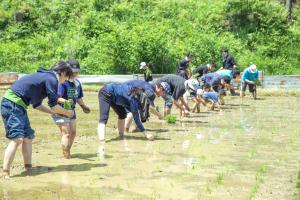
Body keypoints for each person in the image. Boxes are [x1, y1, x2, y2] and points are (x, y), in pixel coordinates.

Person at [1, 61, 74, 179]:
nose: (64, 81)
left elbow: (37, 105)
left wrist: (55, 113)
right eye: (66, 78)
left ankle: (28, 168)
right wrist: (67, 113)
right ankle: (6, 172)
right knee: (17, 138)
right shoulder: (52, 79)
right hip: (12, 104)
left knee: (28, 137)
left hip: (19, 106)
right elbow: (54, 105)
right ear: (63, 72)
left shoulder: (45, 78)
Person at [52, 59, 91, 159]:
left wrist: (83, 106)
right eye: (73, 72)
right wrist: (65, 102)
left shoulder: (76, 83)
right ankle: (66, 156)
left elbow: (77, 97)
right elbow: (56, 98)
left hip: (71, 111)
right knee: (66, 133)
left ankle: (67, 150)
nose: (75, 74)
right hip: (59, 111)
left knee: (73, 132)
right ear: (67, 71)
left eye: (77, 72)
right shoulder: (62, 83)